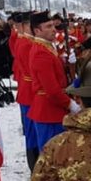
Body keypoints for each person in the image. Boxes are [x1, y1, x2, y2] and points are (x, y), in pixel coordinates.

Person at [28, 11, 80, 152]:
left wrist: (66, 62)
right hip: (49, 110)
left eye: (53, 25)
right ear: (37, 31)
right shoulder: (41, 52)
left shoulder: (48, 46)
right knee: (52, 154)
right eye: (48, 26)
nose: (53, 29)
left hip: (53, 109)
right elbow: (52, 90)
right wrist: (70, 104)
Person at [10, 12, 38, 171]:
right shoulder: (27, 44)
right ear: (25, 26)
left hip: (27, 90)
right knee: (32, 132)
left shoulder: (25, 41)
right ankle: (33, 164)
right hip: (30, 92)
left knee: (31, 130)